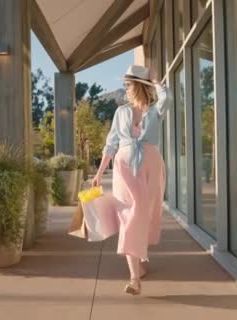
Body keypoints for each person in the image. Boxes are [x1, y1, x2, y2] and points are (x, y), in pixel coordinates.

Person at [92, 65, 171, 295]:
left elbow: (168, 98)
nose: (125, 88)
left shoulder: (156, 110)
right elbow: (110, 144)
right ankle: (135, 278)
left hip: (150, 168)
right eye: (125, 84)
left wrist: (155, 83)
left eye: (129, 84)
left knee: (143, 216)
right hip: (124, 169)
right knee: (129, 217)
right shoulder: (121, 112)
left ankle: (139, 262)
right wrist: (98, 173)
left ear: (139, 86)